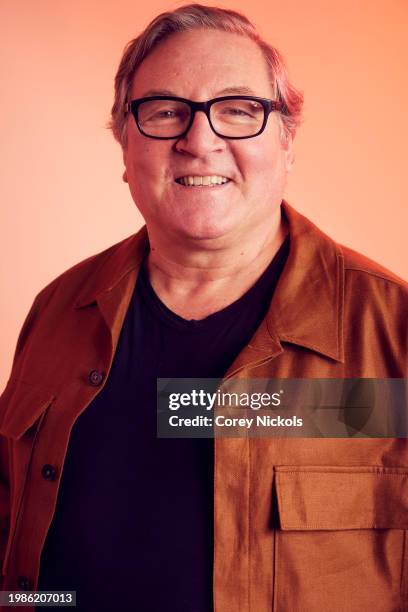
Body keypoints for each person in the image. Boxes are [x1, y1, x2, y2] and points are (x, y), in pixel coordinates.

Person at [0, 4, 407, 611]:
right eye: (166, 112)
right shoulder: (58, 310)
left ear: (287, 142)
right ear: (125, 144)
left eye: (239, 111)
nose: (199, 140)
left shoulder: (393, 331)